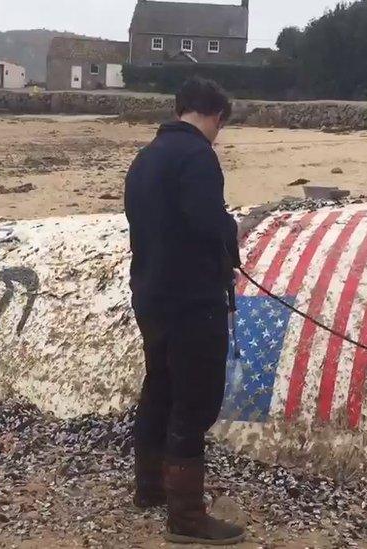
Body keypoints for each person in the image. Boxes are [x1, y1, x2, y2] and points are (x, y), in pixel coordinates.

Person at [123, 77, 244, 545]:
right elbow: (205, 221)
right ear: (216, 116)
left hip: (150, 294)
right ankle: (187, 518)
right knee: (195, 400)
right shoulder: (198, 157)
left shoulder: (146, 156)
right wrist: (229, 231)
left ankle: (150, 487)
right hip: (191, 299)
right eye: (221, 125)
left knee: (160, 387)